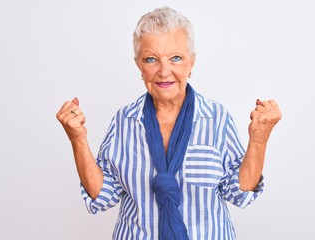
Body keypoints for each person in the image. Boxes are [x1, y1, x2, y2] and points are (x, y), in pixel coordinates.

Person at [56, 6, 282, 240]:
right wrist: (77, 138)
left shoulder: (216, 118)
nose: (164, 71)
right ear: (139, 66)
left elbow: (240, 194)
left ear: (191, 63)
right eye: (151, 59)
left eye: (176, 58)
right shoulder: (124, 121)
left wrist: (259, 139)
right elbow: (102, 195)